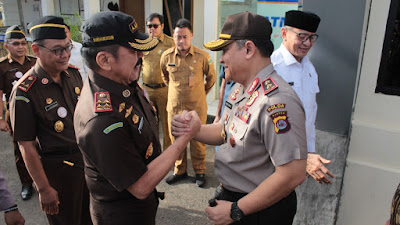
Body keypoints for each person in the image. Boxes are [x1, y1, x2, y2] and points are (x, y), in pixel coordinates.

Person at [172, 11, 307, 224]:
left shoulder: (277, 101)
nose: (221, 58)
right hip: (237, 200)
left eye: (225, 50)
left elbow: (293, 174)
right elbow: (225, 132)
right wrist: (194, 129)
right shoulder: (240, 89)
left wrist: (235, 210)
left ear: (248, 49)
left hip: (259, 211)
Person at [74, 11, 200, 225]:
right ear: (104, 60)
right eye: (134, 51)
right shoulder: (101, 121)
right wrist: (184, 139)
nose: (141, 56)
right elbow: (140, 186)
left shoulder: (121, 81)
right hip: (123, 216)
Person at [9, 16, 91, 225]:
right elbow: (26, 146)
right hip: (57, 174)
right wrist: (44, 188)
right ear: (36, 50)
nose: (65, 55)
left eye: (67, 47)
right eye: (57, 50)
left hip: (85, 165)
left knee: (91, 219)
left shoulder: (73, 75)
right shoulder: (25, 91)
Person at [271, 10, 335, 184]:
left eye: (312, 38)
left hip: (299, 159)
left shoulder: (309, 69)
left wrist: (310, 152)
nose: (307, 43)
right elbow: (270, 121)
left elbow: (310, 116)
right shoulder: (272, 68)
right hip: (273, 160)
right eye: (301, 36)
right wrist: (302, 158)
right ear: (284, 33)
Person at [160, 18, 216, 187]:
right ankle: (179, 171)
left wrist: (200, 93)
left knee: (198, 140)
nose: (181, 41)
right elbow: (165, 77)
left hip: (196, 107)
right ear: (173, 36)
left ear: (191, 36)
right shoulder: (166, 56)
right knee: (176, 139)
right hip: (175, 107)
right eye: (178, 37)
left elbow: (211, 78)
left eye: (185, 37)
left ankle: (200, 171)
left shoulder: (203, 56)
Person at [0, 25, 35, 201]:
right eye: (15, 44)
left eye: (23, 43)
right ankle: (26, 183)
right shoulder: (2, 66)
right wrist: (0, 118)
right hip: (16, 114)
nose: (20, 47)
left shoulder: (34, 62)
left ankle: (42, 179)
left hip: (38, 112)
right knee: (21, 149)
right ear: (6, 46)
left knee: (42, 147)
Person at [142, 13, 175, 151]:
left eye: (155, 26)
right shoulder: (143, 42)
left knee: (167, 125)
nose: (152, 29)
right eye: (149, 26)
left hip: (164, 89)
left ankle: (168, 155)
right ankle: (153, 153)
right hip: (147, 90)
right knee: (150, 124)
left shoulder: (170, 43)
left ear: (162, 26)